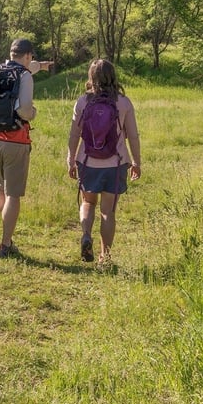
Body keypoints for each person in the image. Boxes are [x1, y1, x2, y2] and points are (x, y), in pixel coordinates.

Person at [0, 38, 53, 258]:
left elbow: (26, 68)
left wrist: (40, 66)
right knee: (13, 195)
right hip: (15, 141)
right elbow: (23, 110)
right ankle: (6, 244)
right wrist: (34, 113)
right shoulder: (24, 76)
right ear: (28, 55)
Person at [67, 59, 141, 266]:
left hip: (87, 161)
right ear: (113, 76)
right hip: (115, 164)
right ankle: (104, 257)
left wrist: (71, 159)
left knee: (88, 202)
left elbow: (74, 135)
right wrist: (136, 162)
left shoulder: (83, 102)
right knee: (108, 212)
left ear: (91, 77)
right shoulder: (124, 103)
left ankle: (85, 235)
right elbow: (133, 136)